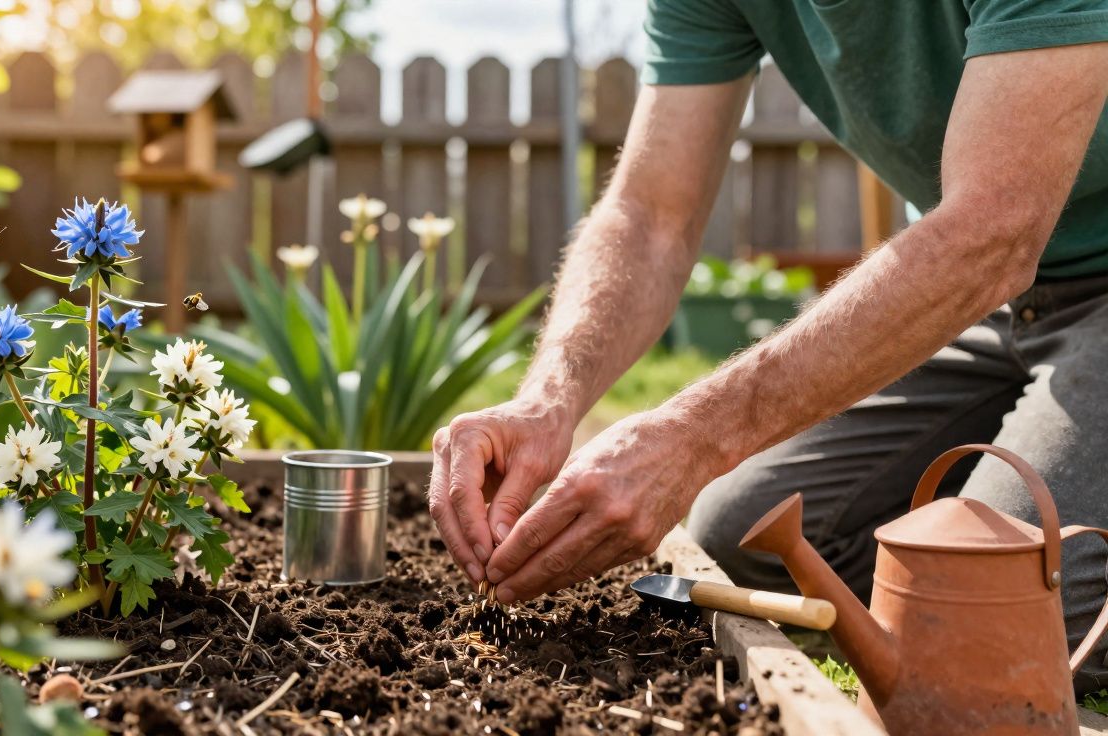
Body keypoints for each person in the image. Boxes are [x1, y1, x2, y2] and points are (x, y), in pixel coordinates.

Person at [427, 0, 1108, 692]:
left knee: (1013, 627)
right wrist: (548, 399)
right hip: (989, 303)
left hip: (1022, 267)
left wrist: (694, 437)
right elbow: (650, 216)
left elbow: (993, 231)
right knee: (744, 533)